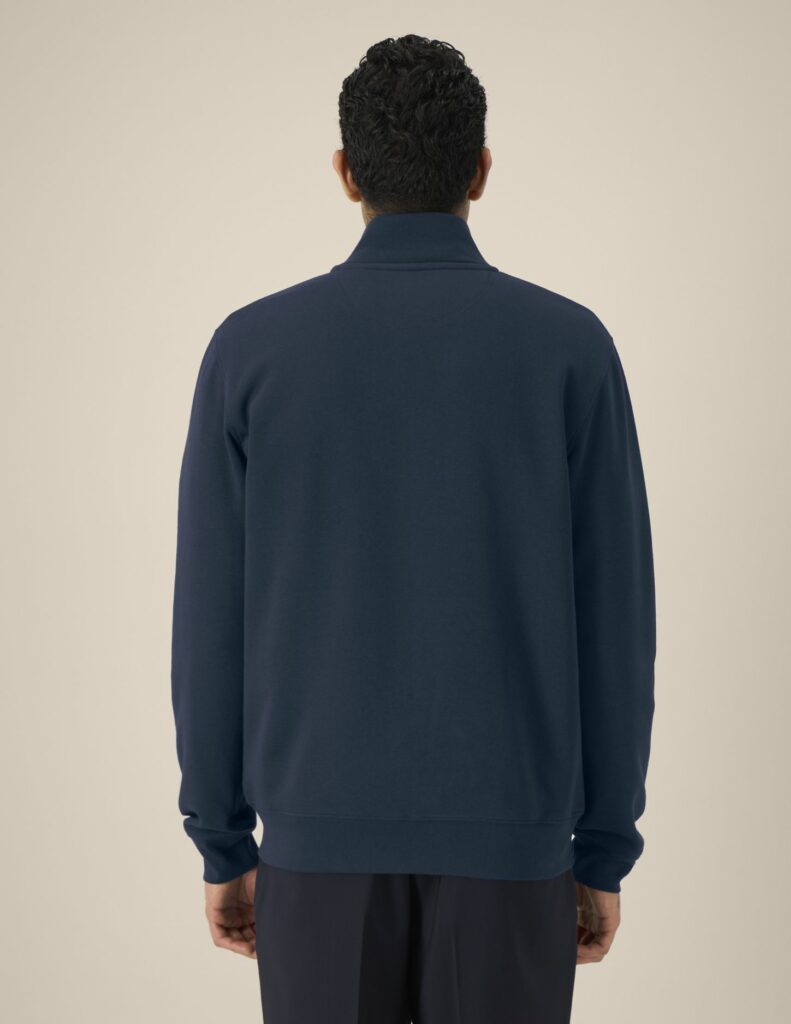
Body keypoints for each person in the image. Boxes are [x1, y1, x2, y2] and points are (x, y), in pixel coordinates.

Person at [171, 33, 656, 1024]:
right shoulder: (568, 350)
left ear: (345, 173)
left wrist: (223, 840)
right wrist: (602, 849)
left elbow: (210, 619)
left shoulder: (251, 352)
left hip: (315, 850)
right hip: (514, 851)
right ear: (480, 170)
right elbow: (615, 622)